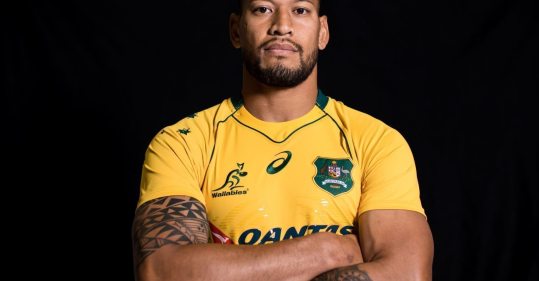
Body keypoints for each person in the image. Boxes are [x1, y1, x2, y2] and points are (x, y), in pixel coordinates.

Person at [132, 0, 434, 280]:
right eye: (263, 9)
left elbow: (407, 273)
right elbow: (162, 271)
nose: (282, 25)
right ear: (236, 31)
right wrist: (329, 250)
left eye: (300, 10)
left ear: (322, 33)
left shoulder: (376, 141)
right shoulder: (182, 142)